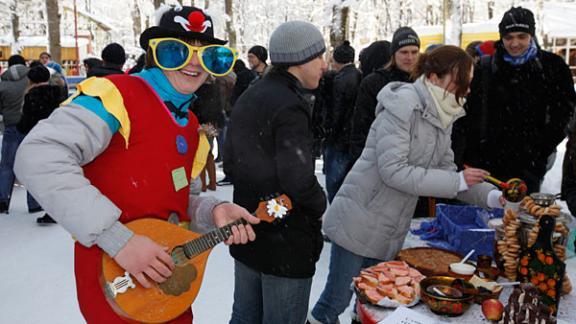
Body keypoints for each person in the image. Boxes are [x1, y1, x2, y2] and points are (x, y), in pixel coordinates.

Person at [14, 5, 259, 323]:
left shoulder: (188, 120)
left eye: (210, 55)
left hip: (168, 286)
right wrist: (120, 241)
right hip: (118, 289)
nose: (194, 64)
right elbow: (38, 155)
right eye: (176, 51)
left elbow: (167, 197)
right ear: (155, 55)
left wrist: (210, 211)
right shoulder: (117, 96)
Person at [308, 45, 504, 324]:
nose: (467, 90)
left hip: (390, 226)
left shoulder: (442, 114)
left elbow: (447, 172)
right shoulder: (403, 107)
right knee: (336, 299)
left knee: (375, 298)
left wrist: (494, 197)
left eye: (469, 83)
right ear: (435, 78)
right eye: (461, 82)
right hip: (359, 219)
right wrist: (457, 180)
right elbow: (394, 171)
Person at [225, 21, 328, 324]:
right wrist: (318, 203)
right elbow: (297, 179)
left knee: (245, 317)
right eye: (318, 57)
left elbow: (230, 163)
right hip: (285, 243)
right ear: (298, 61)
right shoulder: (289, 105)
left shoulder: (254, 94)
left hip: (249, 229)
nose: (324, 65)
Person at [453, 7, 576, 193]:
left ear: (531, 36)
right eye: (509, 37)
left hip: (530, 164)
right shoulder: (486, 68)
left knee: (521, 217)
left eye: (521, 36)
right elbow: (468, 114)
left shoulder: (553, 66)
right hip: (486, 162)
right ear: (501, 38)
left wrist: (541, 149)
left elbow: (564, 113)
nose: (515, 43)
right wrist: (466, 155)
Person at [349, 27, 420, 164]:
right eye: (404, 52)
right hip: (381, 160)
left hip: (417, 165)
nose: (409, 57)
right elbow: (361, 129)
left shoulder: (427, 81)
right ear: (393, 54)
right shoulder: (374, 82)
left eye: (414, 52)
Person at [17, 64, 67, 224]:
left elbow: (26, 122)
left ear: (31, 80)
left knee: (41, 176)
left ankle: (46, 208)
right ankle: (60, 208)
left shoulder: (32, 96)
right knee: (57, 175)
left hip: (39, 140)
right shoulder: (59, 92)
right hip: (58, 138)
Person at [323, 40, 362, 202]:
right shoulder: (360, 75)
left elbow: (338, 111)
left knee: (335, 184)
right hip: (353, 137)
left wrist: (330, 134)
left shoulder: (341, 79)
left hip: (340, 139)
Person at [0, 55, 35, 214]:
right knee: (30, 164)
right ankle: (34, 203)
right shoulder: (32, 80)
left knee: (7, 165)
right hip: (30, 126)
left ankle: (2, 200)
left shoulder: (3, 83)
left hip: (11, 126)